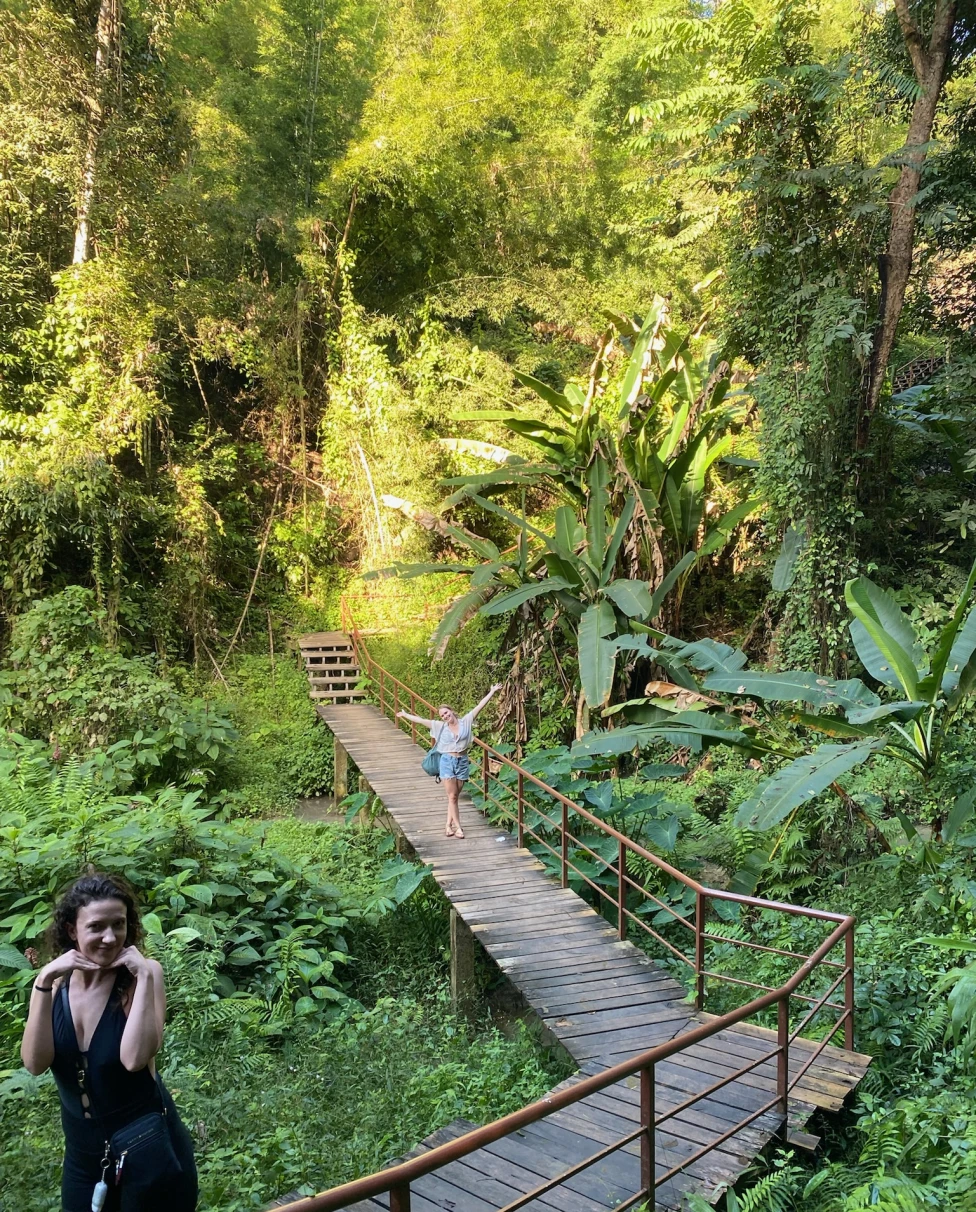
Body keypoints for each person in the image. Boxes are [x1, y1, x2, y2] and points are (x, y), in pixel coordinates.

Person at [20, 871, 198, 1212]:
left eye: (119, 924)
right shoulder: (56, 985)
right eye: (96, 926)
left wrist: (144, 974)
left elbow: (135, 1058)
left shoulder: (143, 976)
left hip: (145, 1145)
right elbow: (34, 1062)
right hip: (84, 1155)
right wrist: (42, 980)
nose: (110, 937)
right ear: (72, 930)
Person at [396, 684, 502, 838]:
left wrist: (492, 691)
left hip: (462, 761)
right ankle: (459, 828)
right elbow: (421, 720)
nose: (445, 716)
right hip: (447, 761)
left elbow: (480, 706)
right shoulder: (440, 726)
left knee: (454, 796)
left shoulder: (466, 721)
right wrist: (406, 715)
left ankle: (448, 826)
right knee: (452, 796)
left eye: (446, 713)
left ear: (451, 711)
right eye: (442, 716)